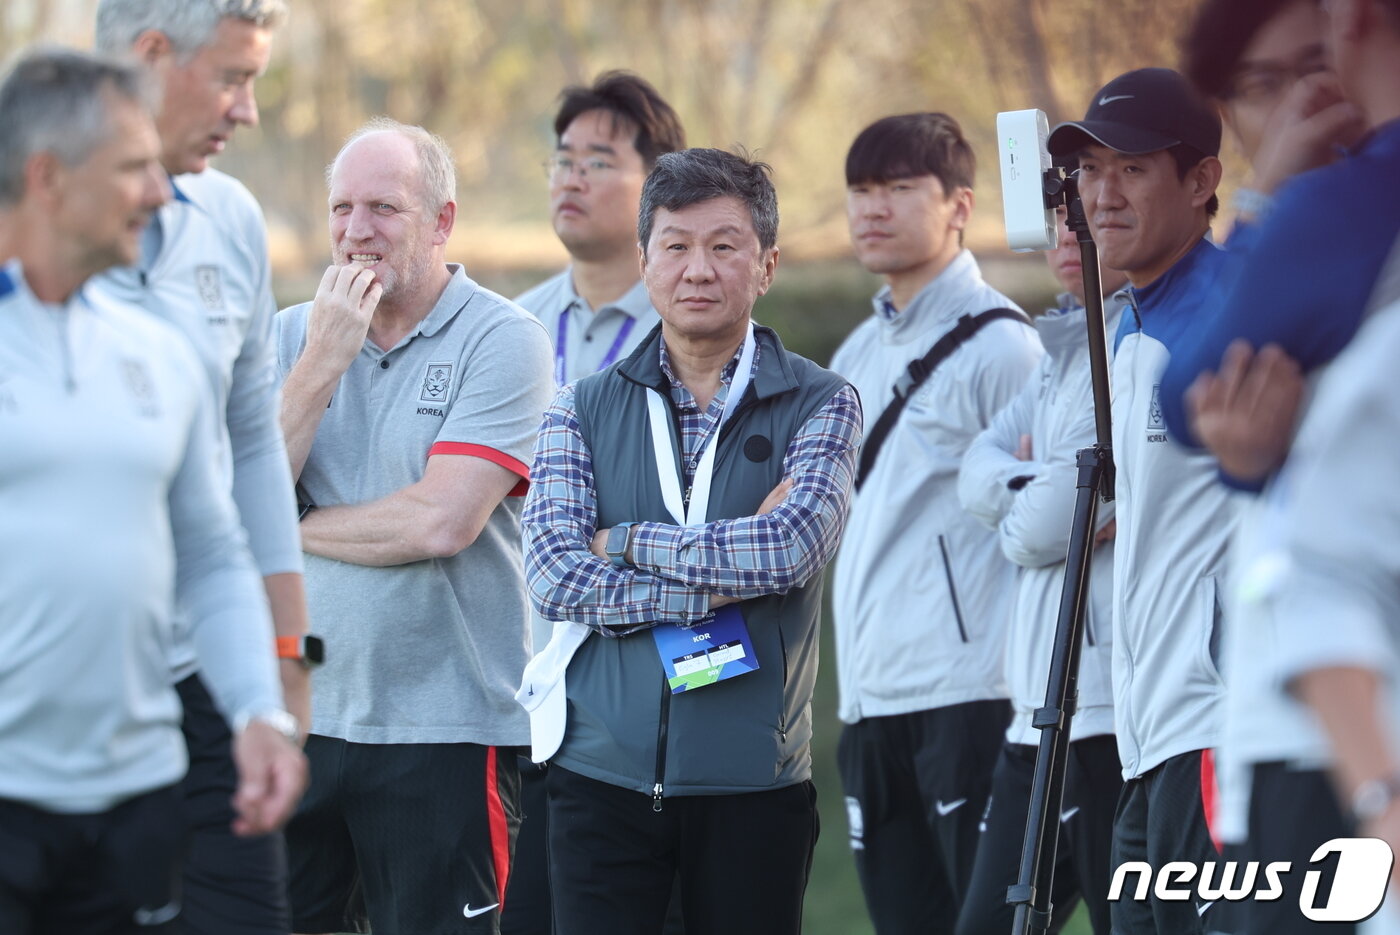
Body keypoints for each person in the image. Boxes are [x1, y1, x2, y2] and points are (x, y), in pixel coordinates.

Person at [0, 46, 305, 934]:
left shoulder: (160, 357)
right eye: (132, 168)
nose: (159, 192)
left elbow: (213, 553)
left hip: (136, 798)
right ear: (48, 178)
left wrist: (260, 707)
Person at [518, 147, 861, 935]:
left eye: (724, 245)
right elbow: (554, 577)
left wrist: (624, 540)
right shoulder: (582, 406)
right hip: (597, 779)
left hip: (752, 788)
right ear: (645, 262)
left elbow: (788, 551)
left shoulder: (820, 404)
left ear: (766, 264)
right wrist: (722, 571)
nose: (697, 268)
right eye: (675, 246)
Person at [275, 118, 554, 934]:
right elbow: (232, 505)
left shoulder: (504, 340)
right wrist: (323, 362)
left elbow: (440, 521)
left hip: (449, 731)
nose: (356, 231)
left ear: (441, 221)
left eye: (384, 208)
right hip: (300, 723)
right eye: (341, 209)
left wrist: (289, 522)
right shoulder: (292, 335)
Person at [90, 2, 311, 930]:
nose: (247, 110)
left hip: (214, 682)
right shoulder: (28, 229)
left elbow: (248, 444)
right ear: (151, 57)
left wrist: (287, 657)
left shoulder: (230, 219)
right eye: (232, 78)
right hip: (61, 708)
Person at [828, 112, 1041, 934]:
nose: (872, 208)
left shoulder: (1004, 347)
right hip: (871, 699)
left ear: (960, 205)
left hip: (972, 694)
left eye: (898, 188)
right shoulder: (854, 353)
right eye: (860, 190)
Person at [1046, 67, 1231, 935]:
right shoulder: (1126, 326)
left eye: (1131, 169)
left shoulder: (1241, 313)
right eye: (1087, 171)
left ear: (1201, 182)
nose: (1100, 195)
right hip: (1146, 733)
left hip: (1219, 728)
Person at [507, 71, 685, 935]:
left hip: (662, 686)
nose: (570, 177)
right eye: (562, 159)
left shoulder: (694, 326)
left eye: (598, 160)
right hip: (526, 681)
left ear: (658, 183)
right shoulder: (512, 331)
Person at [954, 206, 1129, 935]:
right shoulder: (1059, 351)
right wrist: (1036, 480)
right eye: (1060, 219)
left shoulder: (1133, 349)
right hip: (1035, 714)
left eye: (1084, 221)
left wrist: (1025, 494)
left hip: (1107, 719)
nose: (1067, 238)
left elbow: (1035, 530)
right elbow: (976, 472)